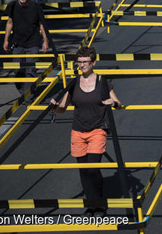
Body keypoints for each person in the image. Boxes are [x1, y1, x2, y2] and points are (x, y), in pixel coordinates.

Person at [50, 46, 121, 218]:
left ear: (93, 63)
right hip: (78, 131)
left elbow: (118, 103)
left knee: (92, 169)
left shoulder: (102, 82)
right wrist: (55, 107)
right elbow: (62, 108)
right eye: (79, 63)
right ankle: (91, 205)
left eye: (85, 63)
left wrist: (113, 103)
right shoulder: (74, 83)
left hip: (97, 129)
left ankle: (100, 205)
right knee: (83, 170)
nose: (82, 66)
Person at [3, 0, 49, 97]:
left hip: (32, 42)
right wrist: (6, 40)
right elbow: (9, 22)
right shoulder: (12, 6)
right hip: (17, 42)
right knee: (16, 70)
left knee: (30, 70)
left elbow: (41, 24)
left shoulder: (35, 7)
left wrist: (45, 41)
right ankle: (24, 91)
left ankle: (29, 96)